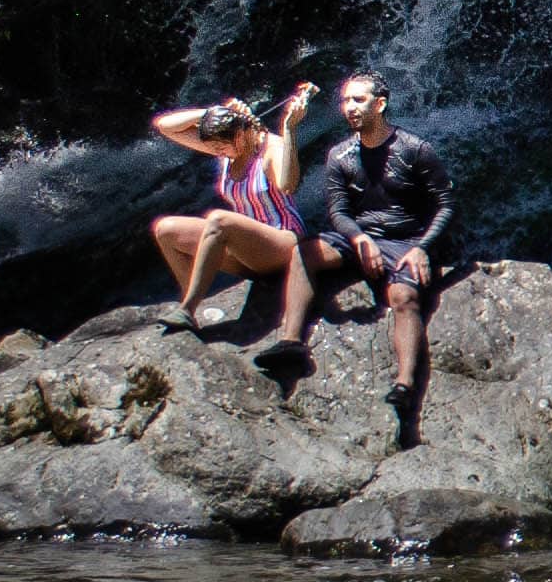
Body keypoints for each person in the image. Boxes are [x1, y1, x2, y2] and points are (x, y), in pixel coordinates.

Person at [302, 71, 456, 420]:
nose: (350, 108)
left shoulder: (415, 149)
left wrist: (423, 248)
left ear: (381, 104)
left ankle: (404, 385)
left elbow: (446, 204)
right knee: (304, 251)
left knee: (404, 297)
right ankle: (291, 341)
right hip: (361, 238)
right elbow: (338, 210)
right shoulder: (340, 155)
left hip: (406, 240)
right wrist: (358, 237)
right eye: (345, 101)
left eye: (359, 100)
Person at [147, 83, 322, 343]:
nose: (218, 153)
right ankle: (190, 301)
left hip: (282, 244)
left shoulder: (271, 149)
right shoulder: (229, 147)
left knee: (219, 220)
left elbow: (288, 184)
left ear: (240, 137)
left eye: (220, 148)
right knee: (165, 229)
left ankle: (187, 309)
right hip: (247, 250)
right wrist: (211, 112)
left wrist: (289, 131)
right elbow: (165, 125)